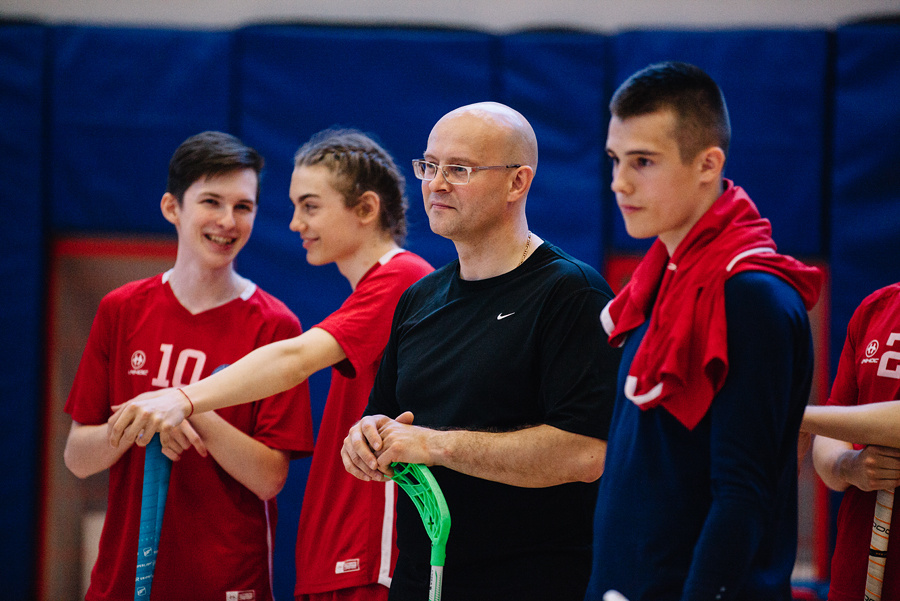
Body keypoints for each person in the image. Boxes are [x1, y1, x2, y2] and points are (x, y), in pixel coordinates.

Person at [106, 128, 434, 601]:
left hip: (364, 563)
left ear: (365, 209)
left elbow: (295, 358)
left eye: (310, 205)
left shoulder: (403, 277)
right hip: (335, 562)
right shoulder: (369, 297)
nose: (296, 223)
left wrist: (181, 397)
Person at [340, 102, 621, 601]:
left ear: (517, 183)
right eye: (429, 166)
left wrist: (436, 445)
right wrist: (366, 440)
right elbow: (386, 421)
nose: (436, 183)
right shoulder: (420, 298)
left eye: (459, 170)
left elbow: (586, 453)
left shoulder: (571, 293)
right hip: (419, 582)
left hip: (531, 584)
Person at [589, 62, 823, 601]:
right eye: (615, 160)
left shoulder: (752, 297)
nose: (619, 182)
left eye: (643, 161)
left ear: (707, 164)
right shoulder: (655, 284)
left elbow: (741, 496)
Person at [63, 131, 315, 601]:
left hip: (227, 581)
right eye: (212, 202)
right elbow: (78, 457)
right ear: (172, 208)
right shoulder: (122, 310)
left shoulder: (276, 325)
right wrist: (141, 418)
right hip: (124, 580)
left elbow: (270, 478)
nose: (227, 220)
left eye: (243, 206)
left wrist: (191, 408)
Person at [802, 281, 900, 601]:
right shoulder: (876, 308)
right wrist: (850, 466)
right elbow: (829, 440)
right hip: (858, 572)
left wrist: (798, 417)